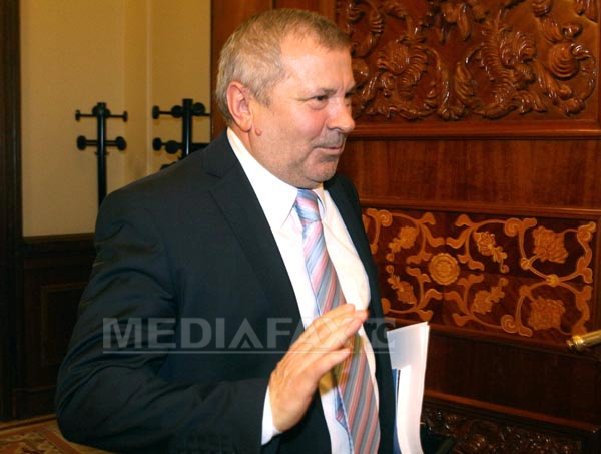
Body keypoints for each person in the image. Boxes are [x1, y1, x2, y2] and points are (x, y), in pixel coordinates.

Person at [56, 8, 395, 453]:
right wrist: (266, 407)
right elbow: (91, 396)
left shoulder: (340, 193)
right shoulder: (154, 215)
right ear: (243, 106)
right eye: (319, 99)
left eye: (347, 96)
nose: (346, 120)